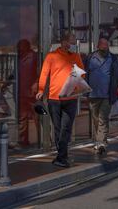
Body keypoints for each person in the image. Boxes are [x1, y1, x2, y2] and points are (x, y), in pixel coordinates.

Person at [36, 33, 84, 168]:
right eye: (70, 42)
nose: (72, 45)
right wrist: (40, 90)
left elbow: (82, 73)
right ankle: (62, 156)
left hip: (71, 98)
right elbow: (44, 73)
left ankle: (61, 157)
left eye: (73, 42)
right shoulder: (51, 56)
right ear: (63, 42)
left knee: (66, 128)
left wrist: (76, 76)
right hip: (54, 98)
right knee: (58, 129)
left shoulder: (76, 57)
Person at [84, 38, 118, 154]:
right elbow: (83, 73)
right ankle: (100, 139)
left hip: (107, 94)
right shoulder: (90, 58)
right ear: (98, 46)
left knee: (103, 118)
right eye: (103, 46)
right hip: (93, 94)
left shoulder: (113, 58)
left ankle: (101, 143)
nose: (105, 48)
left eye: (106, 45)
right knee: (95, 118)